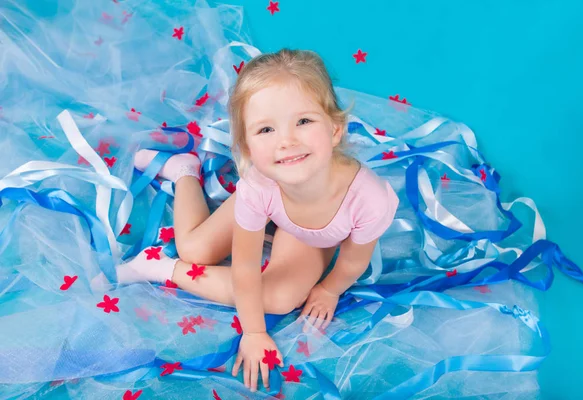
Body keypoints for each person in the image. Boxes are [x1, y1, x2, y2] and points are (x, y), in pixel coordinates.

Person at [95, 48, 399, 392]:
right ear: (248, 147)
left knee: (282, 297)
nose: (287, 141)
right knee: (194, 249)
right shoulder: (261, 182)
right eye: (266, 129)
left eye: (303, 121)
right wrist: (253, 331)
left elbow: (353, 261)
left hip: (313, 236)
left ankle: (160, 267)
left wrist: (329, 290)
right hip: (273, 199)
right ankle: (184, 172)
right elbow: (244, 264)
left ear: (334, 129)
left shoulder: (368, 199)